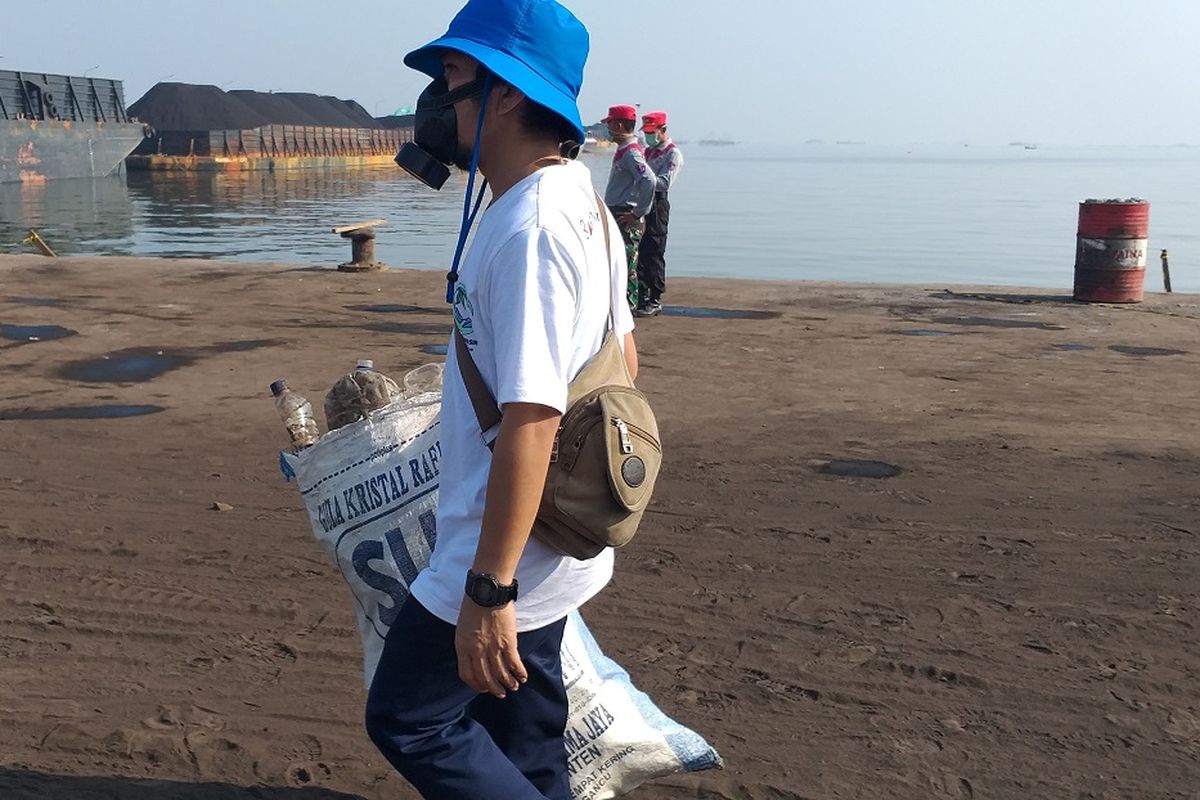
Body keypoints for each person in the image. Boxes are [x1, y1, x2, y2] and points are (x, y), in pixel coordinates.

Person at [364, 1, 637, 799]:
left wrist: (490, 587)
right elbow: (625, 356)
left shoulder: (531, 229)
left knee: (411, 718)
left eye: (452, 80)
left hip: (502, 547)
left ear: (509, 93)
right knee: (521, 729)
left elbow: (533, 417)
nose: (437, 106)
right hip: (549, 536)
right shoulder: (575, 199)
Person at [601, 104, 656, 310]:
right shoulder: (624, 151)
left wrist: (638, 212)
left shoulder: (631, 153)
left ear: (620, 125)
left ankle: (628, 307)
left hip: (625, 213)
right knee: (617, 261)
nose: (608, 129)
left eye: (610, 124)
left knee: (625, 263)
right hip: (618, 212)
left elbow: (648, 180)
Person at [636, 111, 684, 317]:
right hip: (641, 201)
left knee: (654, 249)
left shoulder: (672, 154)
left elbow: (664, 182)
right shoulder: (648, 152)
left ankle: (655, 298)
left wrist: (645, 178)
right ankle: (641, 294)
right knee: (640, 250)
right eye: (646, 132)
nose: (648, 136)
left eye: (651, 131)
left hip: (658, 203)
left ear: (662, 130)